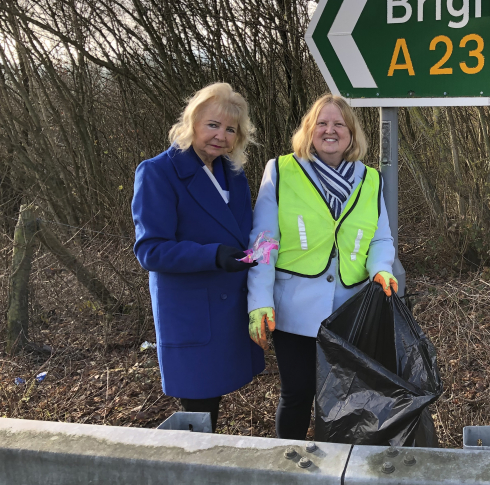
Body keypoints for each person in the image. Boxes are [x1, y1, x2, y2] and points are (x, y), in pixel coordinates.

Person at [246, 93, 397, 440]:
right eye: (322, 123)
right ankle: (290, 470)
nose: (330, 130)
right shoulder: (281, 170)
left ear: (351, 133)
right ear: (309, 130)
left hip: (351, 313)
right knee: (298, 396)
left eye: (339, 124)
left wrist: (380, 268)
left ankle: (338, 471)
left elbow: (380, 239)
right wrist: (259, 301)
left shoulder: (370, 179)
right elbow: (263, 242)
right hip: (294, 310)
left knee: (347, 402)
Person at [132, 83, 264, 432]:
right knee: (199, 405)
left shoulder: (233, 175)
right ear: (192, 122)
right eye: (213, 125)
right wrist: (214, 256)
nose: (221, 136)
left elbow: (245, 234)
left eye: (231, 129)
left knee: (214, 402)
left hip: (230, 306)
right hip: (192, 311)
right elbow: (150, 249)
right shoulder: (158, 172)